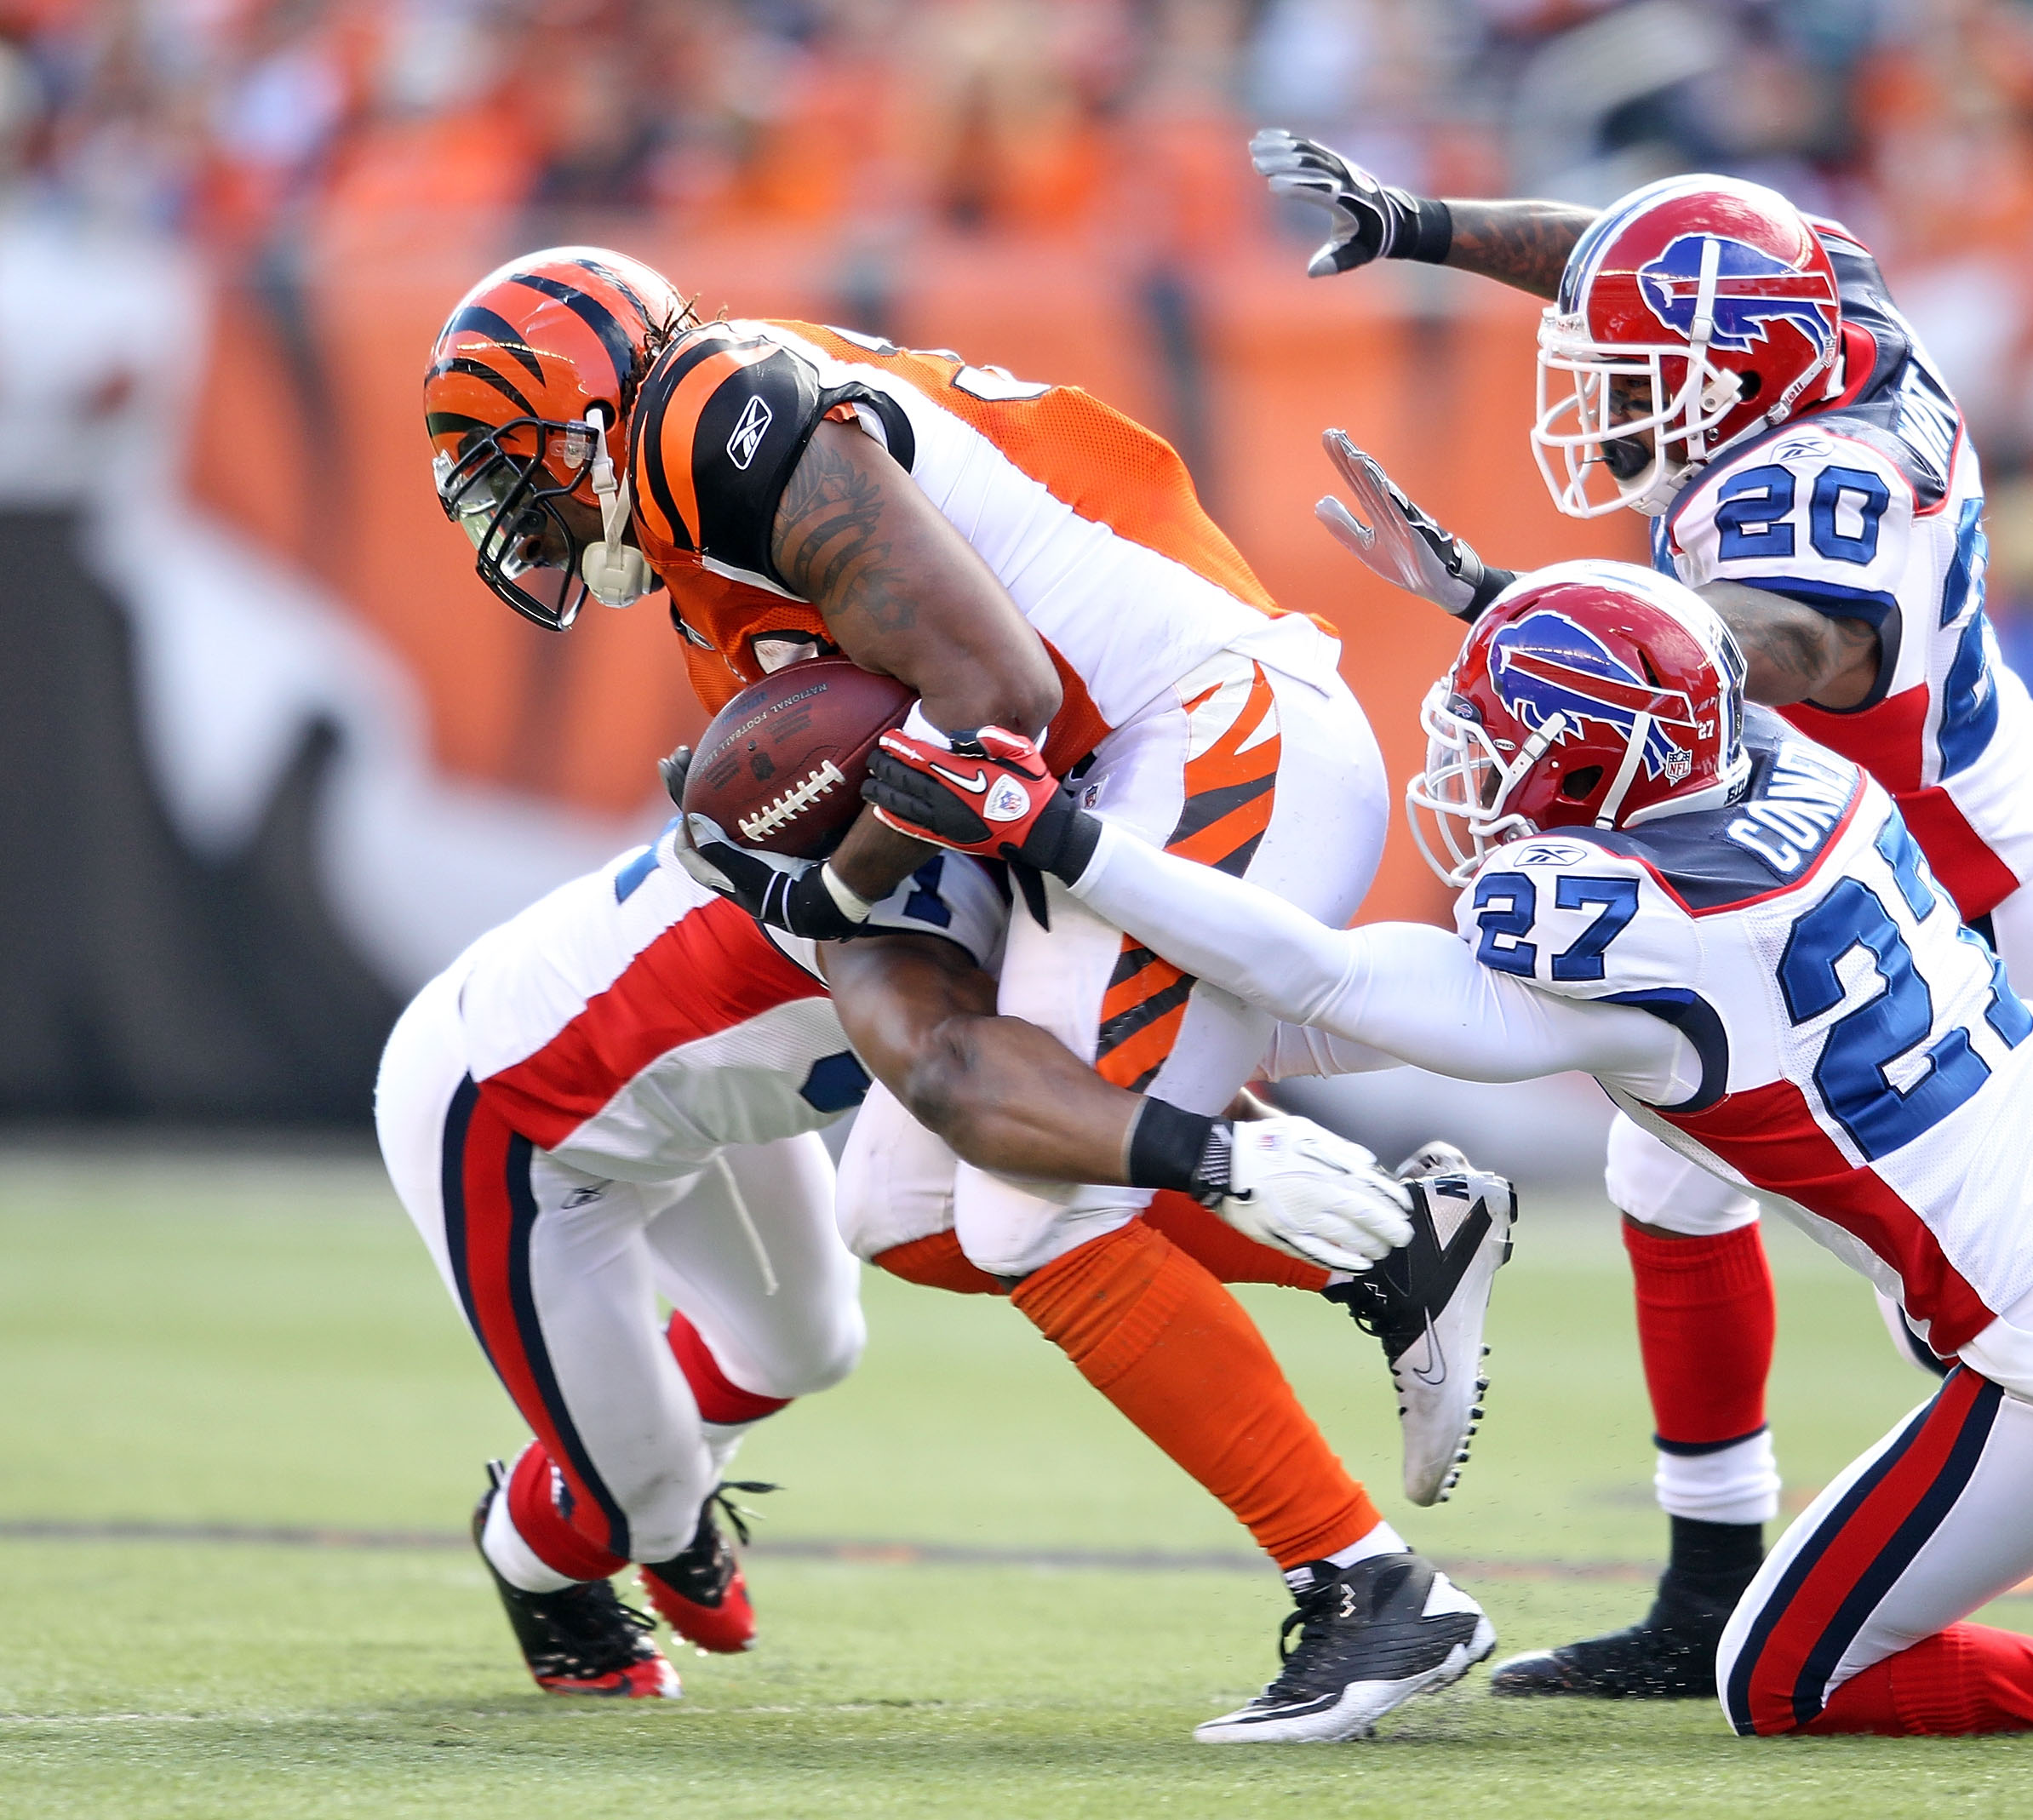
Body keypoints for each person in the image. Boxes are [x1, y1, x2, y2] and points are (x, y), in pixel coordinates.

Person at [1250, 132, 2033, 1693]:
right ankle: (1722, 1581)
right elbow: (1650, 261)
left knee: (1965, 1251)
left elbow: (1793, 641)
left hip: (1966, 890)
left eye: (1634, 377)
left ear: (1741, 380)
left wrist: (1534, 621)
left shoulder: (1808, 498)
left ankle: (1783, 1575)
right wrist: (1431, 223)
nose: (1602, 400)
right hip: (2005, 823)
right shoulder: (1834, 317)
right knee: (1691, 1174)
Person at [854, 557, 2033, 1737]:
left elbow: (1319, 979)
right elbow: (1645, 696)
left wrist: (1064, 833)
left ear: (1590, 766)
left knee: (1786, 1679)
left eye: (1507, 745)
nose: (1481, 774)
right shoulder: (1800, 769)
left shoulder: (1615, 932)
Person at [417, 252, 1508, 1738]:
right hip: (1120, 775)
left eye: (513, 467)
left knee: (1024, 1206)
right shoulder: (704, 579)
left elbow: (998, 688)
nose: (512, 518)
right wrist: (825, 890)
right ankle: (1395, 1251)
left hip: (1200, 723)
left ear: (587, 415)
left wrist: (840, 877)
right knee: (907, 1214)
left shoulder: (707, 417)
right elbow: (920, 998)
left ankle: (1370, 1589)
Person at [376, 805, 1501, 1730]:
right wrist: (1226, 1150)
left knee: (810, 1341)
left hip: (694, 1105)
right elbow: (1002, 1082)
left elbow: (1117, 1052)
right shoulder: (878, 893)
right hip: (516, 1119)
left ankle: (645, 1466)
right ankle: (544, 1549)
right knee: (643, 1504)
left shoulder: (963, 837)